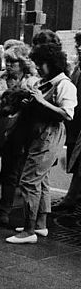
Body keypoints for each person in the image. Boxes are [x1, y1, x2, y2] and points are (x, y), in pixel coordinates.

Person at [6, 43, 78, 244]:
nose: (38, 68)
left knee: (29, 181)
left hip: (49, 134)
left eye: (41, 64)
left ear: (51, 64)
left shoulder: (65, 85)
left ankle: (28, 231)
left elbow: (67, 114)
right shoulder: (45, 82)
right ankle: (40, 224)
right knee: (42, 180)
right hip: (37, 134)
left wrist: (41, 102)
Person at [0, 42, 39, 225]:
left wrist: (23, 111)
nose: (9, 65)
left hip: (18, 133)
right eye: (7, 61)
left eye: (13, 61)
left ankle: (4, 211)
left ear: (23, 63)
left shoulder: (33, 82)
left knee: (11, 174)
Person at [55, 32, 81, 216]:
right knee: (77, 161)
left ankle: (71, 198)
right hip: (76, 121)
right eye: (78, 44)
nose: (79, 48)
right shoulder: (78, 67)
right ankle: (72, 198)